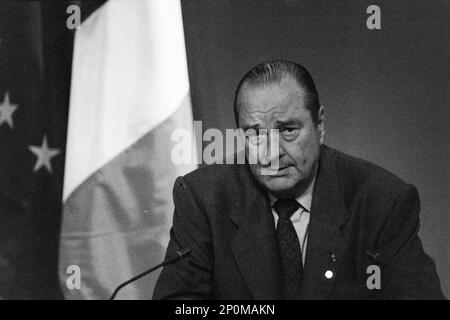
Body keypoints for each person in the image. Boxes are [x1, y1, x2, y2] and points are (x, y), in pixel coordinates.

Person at [153, 60, 445, 299]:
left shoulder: (381, 201)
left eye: (288, 130)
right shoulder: (204, 197)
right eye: (255, 134)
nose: (270, 154)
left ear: (319, 125)